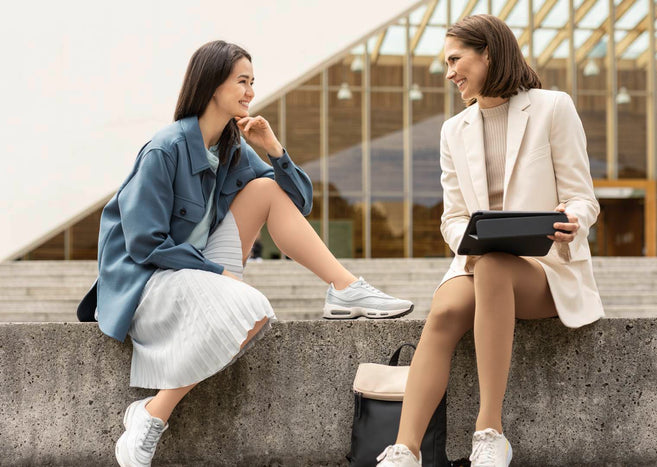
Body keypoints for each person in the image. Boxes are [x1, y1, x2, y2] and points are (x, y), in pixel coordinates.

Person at [78, 40, 414, 467]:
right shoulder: (165, 149)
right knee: (253, 309)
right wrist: (218, 270)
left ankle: (345, 287)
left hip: (198, 270)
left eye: (253, 82)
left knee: (267, 188)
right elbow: (145, 244)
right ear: (212, 84)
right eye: (242, 81)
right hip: (148, 280)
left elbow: (299, 202)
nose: (251, 92)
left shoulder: (231, 148)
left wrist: (275, 150)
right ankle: (150, 415)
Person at [376, 15, 603, 467]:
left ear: (489, 54)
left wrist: (571, 219)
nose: (449, 73)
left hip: (546, 267)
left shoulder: (552, 107)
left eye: (455, 59)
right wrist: (476, 240)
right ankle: (406, 449)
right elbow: (453, 217)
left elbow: (582, 197)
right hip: (479, 261)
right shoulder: (453, 130)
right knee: (444, 309)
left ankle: (490, 431)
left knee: (497, 266)